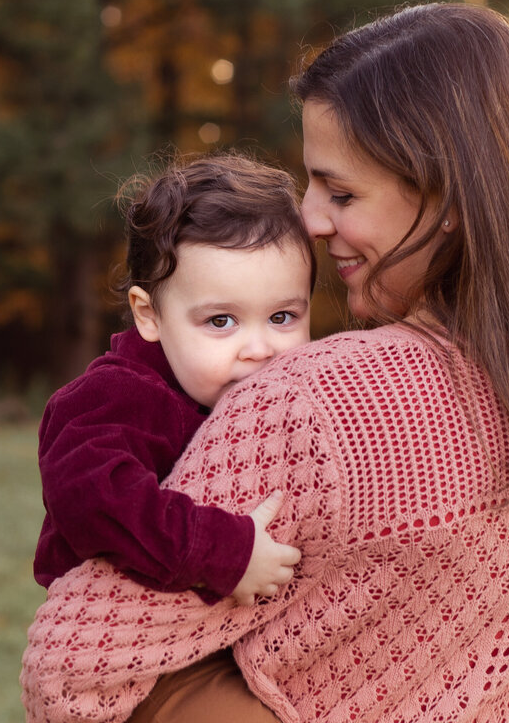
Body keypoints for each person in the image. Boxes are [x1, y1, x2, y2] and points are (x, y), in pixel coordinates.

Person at [21, 2, 509, 723]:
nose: (311, 219)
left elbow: (72, 664)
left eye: (342, 192)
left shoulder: (315, 402)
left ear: (449, 198)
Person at [33, 153, 314, 619]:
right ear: (149, 315)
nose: (260, 348)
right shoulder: (116, 396)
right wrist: (226, 552)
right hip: (114, 638)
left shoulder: (276, 396)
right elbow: (93, 500)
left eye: (282, 317)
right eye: (221, 320)